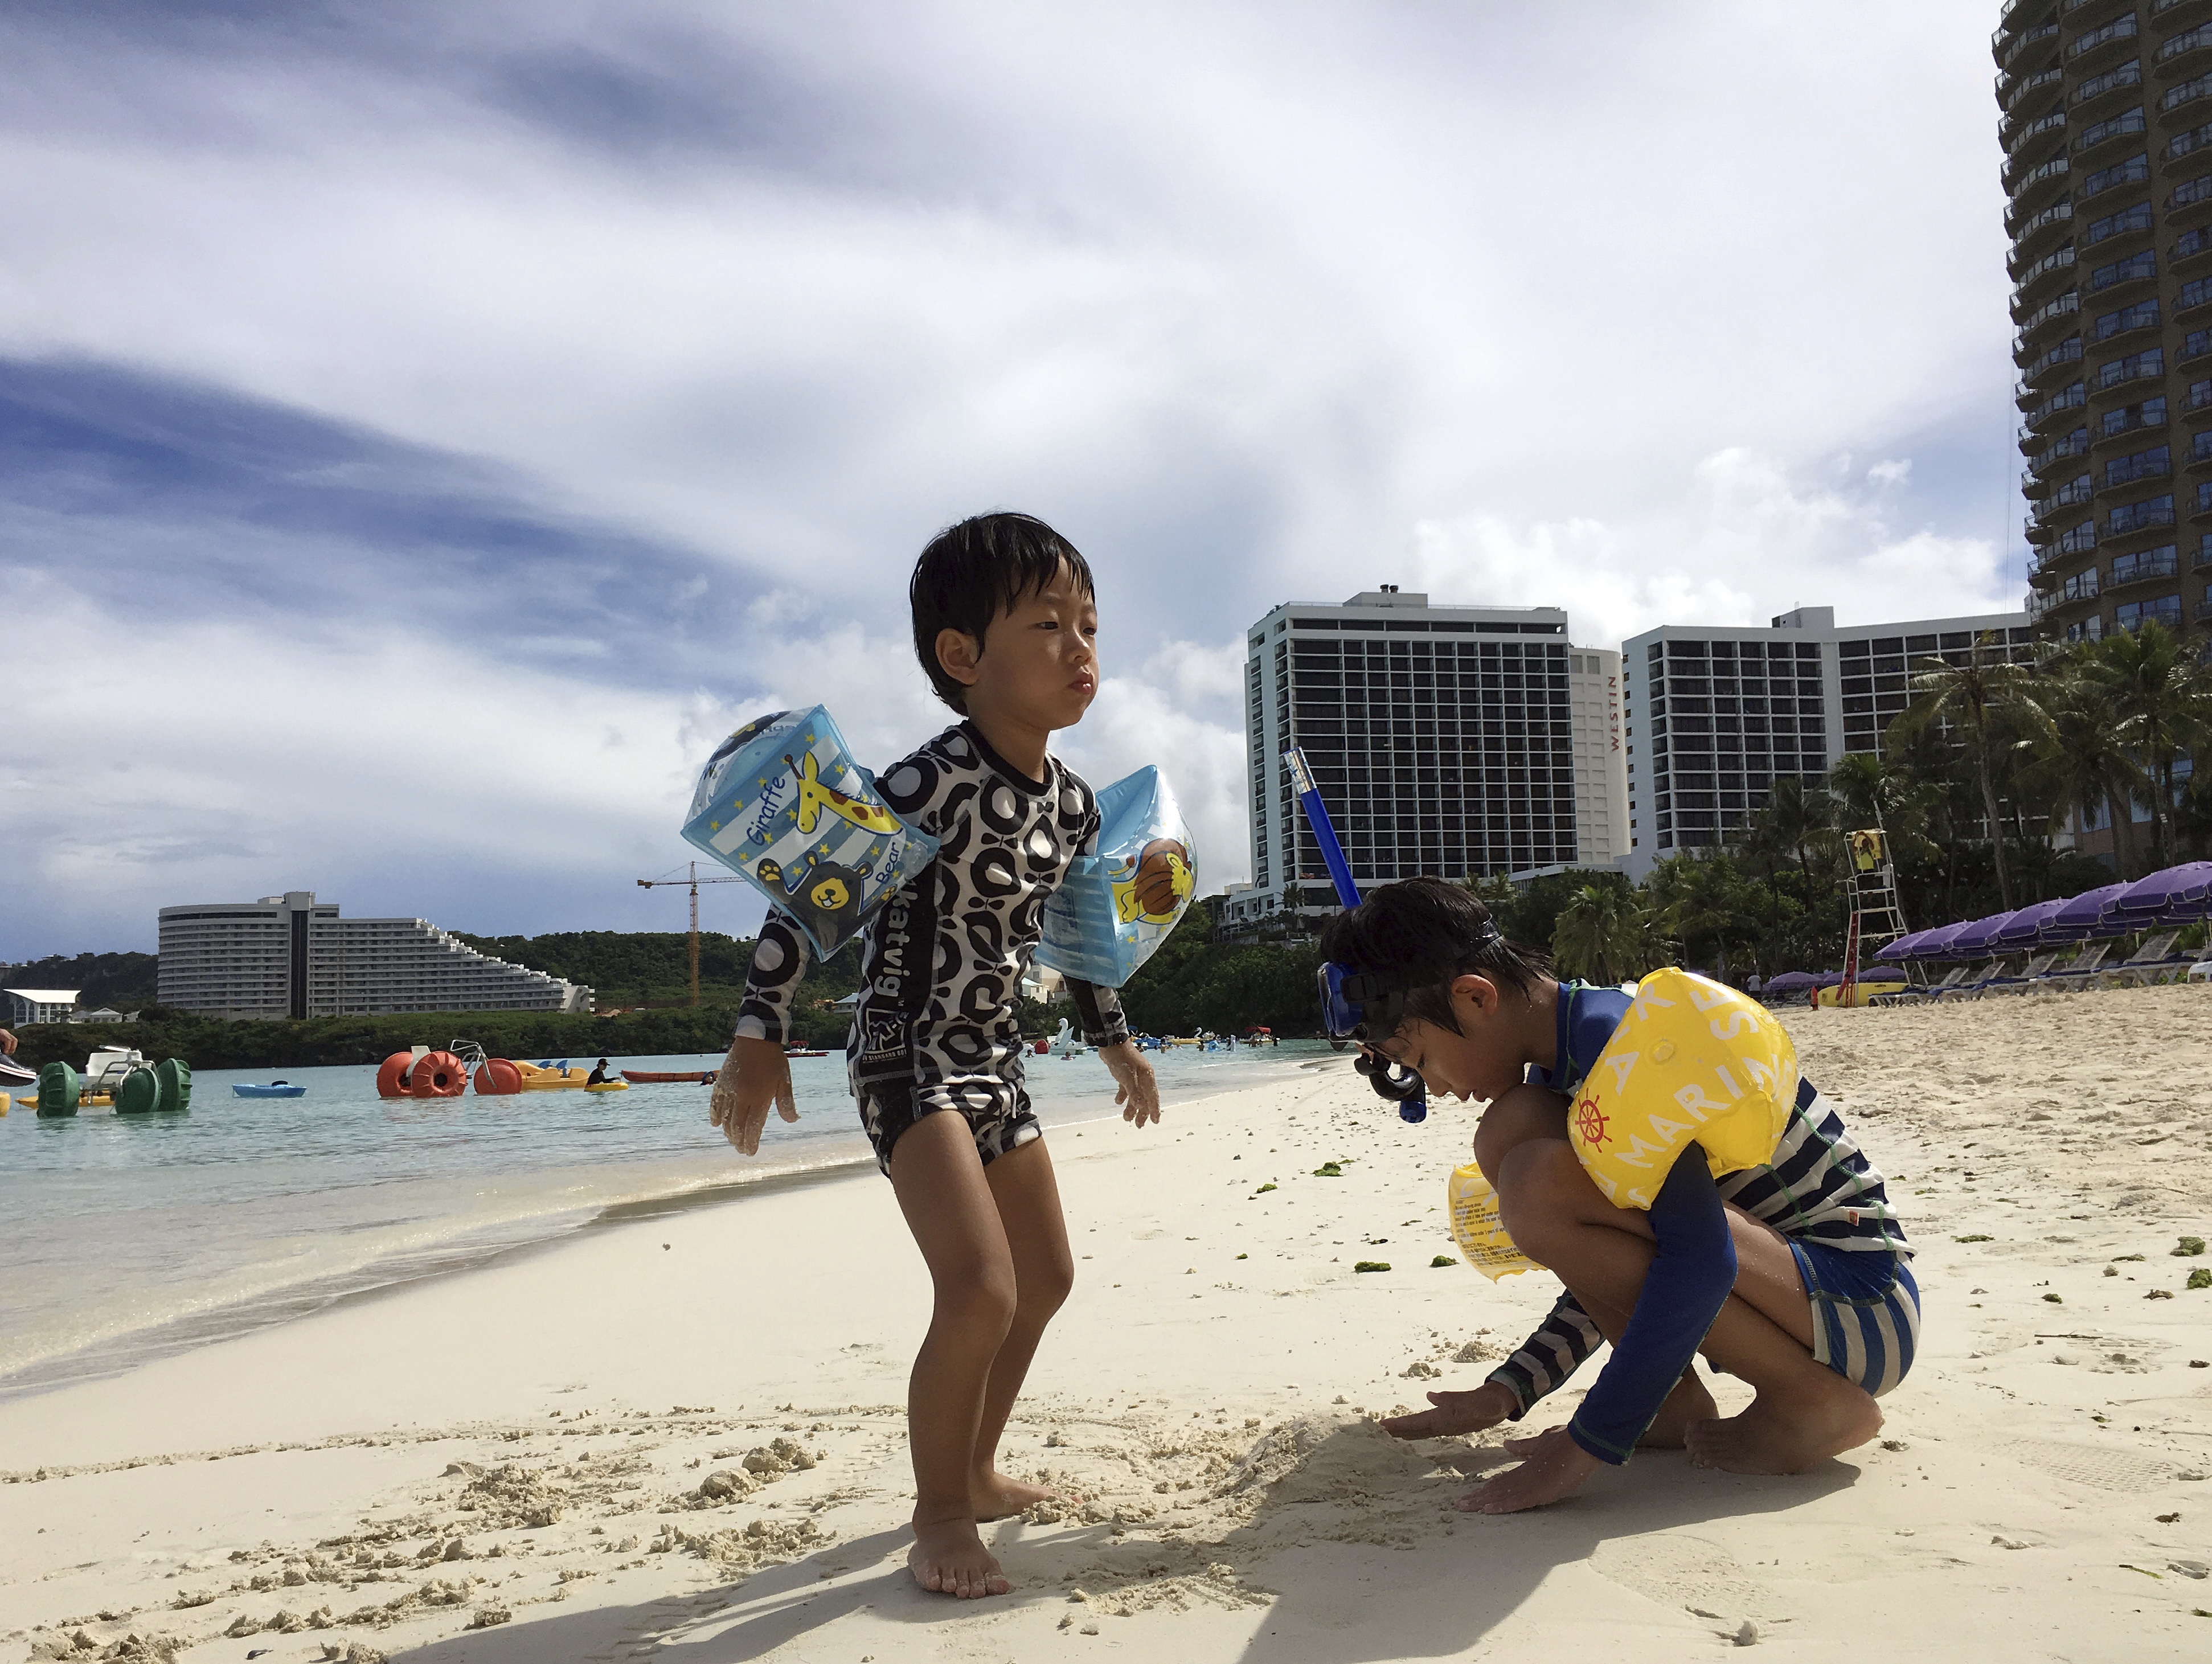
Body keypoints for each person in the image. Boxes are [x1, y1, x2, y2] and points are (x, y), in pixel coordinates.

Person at [711, 512, 1161, 1599]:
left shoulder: (1072, 803)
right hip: (903, 1058)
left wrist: (1114, 1043)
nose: (1079, 647)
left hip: (994, 1060)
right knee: (977, 1287)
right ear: (961, 657)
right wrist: (758, 1035)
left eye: (1089, 624)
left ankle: (974, 1463)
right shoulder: (925, 783)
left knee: (1043, 1279)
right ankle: (939, 1514)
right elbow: (811, 896)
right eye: (1047, 623)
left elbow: (1080, 938)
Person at [1321, 878, 1914, 1514]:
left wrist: (1590, 1442)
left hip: (1860, 1305)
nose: (1432, 1090)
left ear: (1473, 997)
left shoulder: (1623, 1056)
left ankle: (1809, 1404)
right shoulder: (1569, 1060)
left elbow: (1696, 1260)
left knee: (1531, 1174)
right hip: (1807, 1297)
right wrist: (1512, 1389)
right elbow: (1624, 1260)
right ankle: (1666, 1404)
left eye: (1416, 1057)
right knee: (1514, 1138)